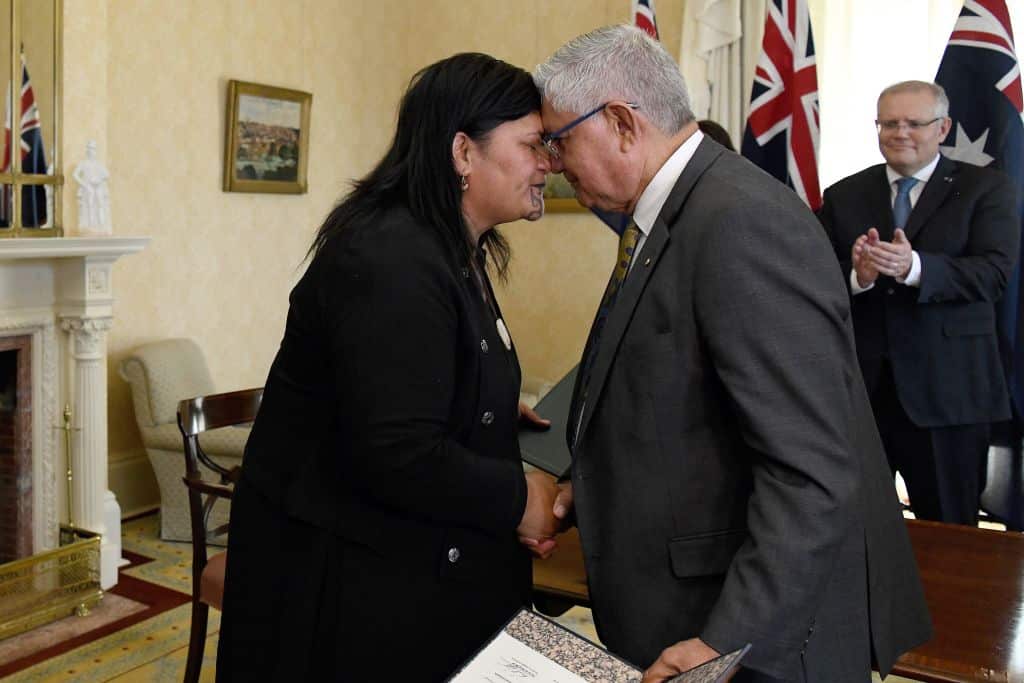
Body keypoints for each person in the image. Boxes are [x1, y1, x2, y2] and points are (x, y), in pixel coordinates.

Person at [532, 26, 931, 682]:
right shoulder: (678, 212)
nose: (552, 162)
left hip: (752, 638)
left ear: (623, 124)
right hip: (690, 606)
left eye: (559, 139)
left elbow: (810, 471)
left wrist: (728, 641)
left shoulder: (740, 220)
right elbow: (684, 409)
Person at [217, 53, 559, 682]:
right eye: (533, 144)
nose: (548, 164)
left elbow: (410, 379)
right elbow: (395, 451)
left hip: (404, 565)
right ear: (463, 152)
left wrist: (481, 402)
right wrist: (519, 499)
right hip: (337, 583)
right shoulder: (391, 256)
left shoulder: (452, 244)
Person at [818, 81, 1019, 526]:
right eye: (889, 123)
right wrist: (858, 277)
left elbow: (994, 274)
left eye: (914, 123)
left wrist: (915, 268)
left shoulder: (987, 189)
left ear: (942, 128)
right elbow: (813, 277)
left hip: (949, 397)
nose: (900, 133)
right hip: (863, 396)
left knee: (950, 533)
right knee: (858, 529)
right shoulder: (844, 195)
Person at [72, 140, 111, 232]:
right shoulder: (83, 163)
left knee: (100, 205)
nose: (91, 150)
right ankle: (90, 225)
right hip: (87, 189)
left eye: (93, 148)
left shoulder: (98, 164)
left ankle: (100, 224)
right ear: (87, 150)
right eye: (89, 148)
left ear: (95, 151)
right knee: (89, 205)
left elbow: (106, 175)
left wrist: (99, 179)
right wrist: (84, 184)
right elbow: (75, 175)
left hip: (98, 188)